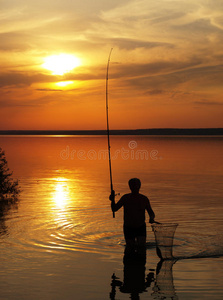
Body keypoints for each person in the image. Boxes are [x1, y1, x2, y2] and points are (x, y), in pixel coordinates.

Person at [110, 178, 155, 250]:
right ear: (130, 187)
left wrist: (151, 218)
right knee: (130, 248)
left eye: (136, 185)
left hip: (141, 227)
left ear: (139, 186)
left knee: (141, 247)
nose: (134, 187)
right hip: (128, 227)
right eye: (132, 185)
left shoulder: (144, 199)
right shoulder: (125, 198)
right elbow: (114, 209)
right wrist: (112, 200)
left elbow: (151, 212)